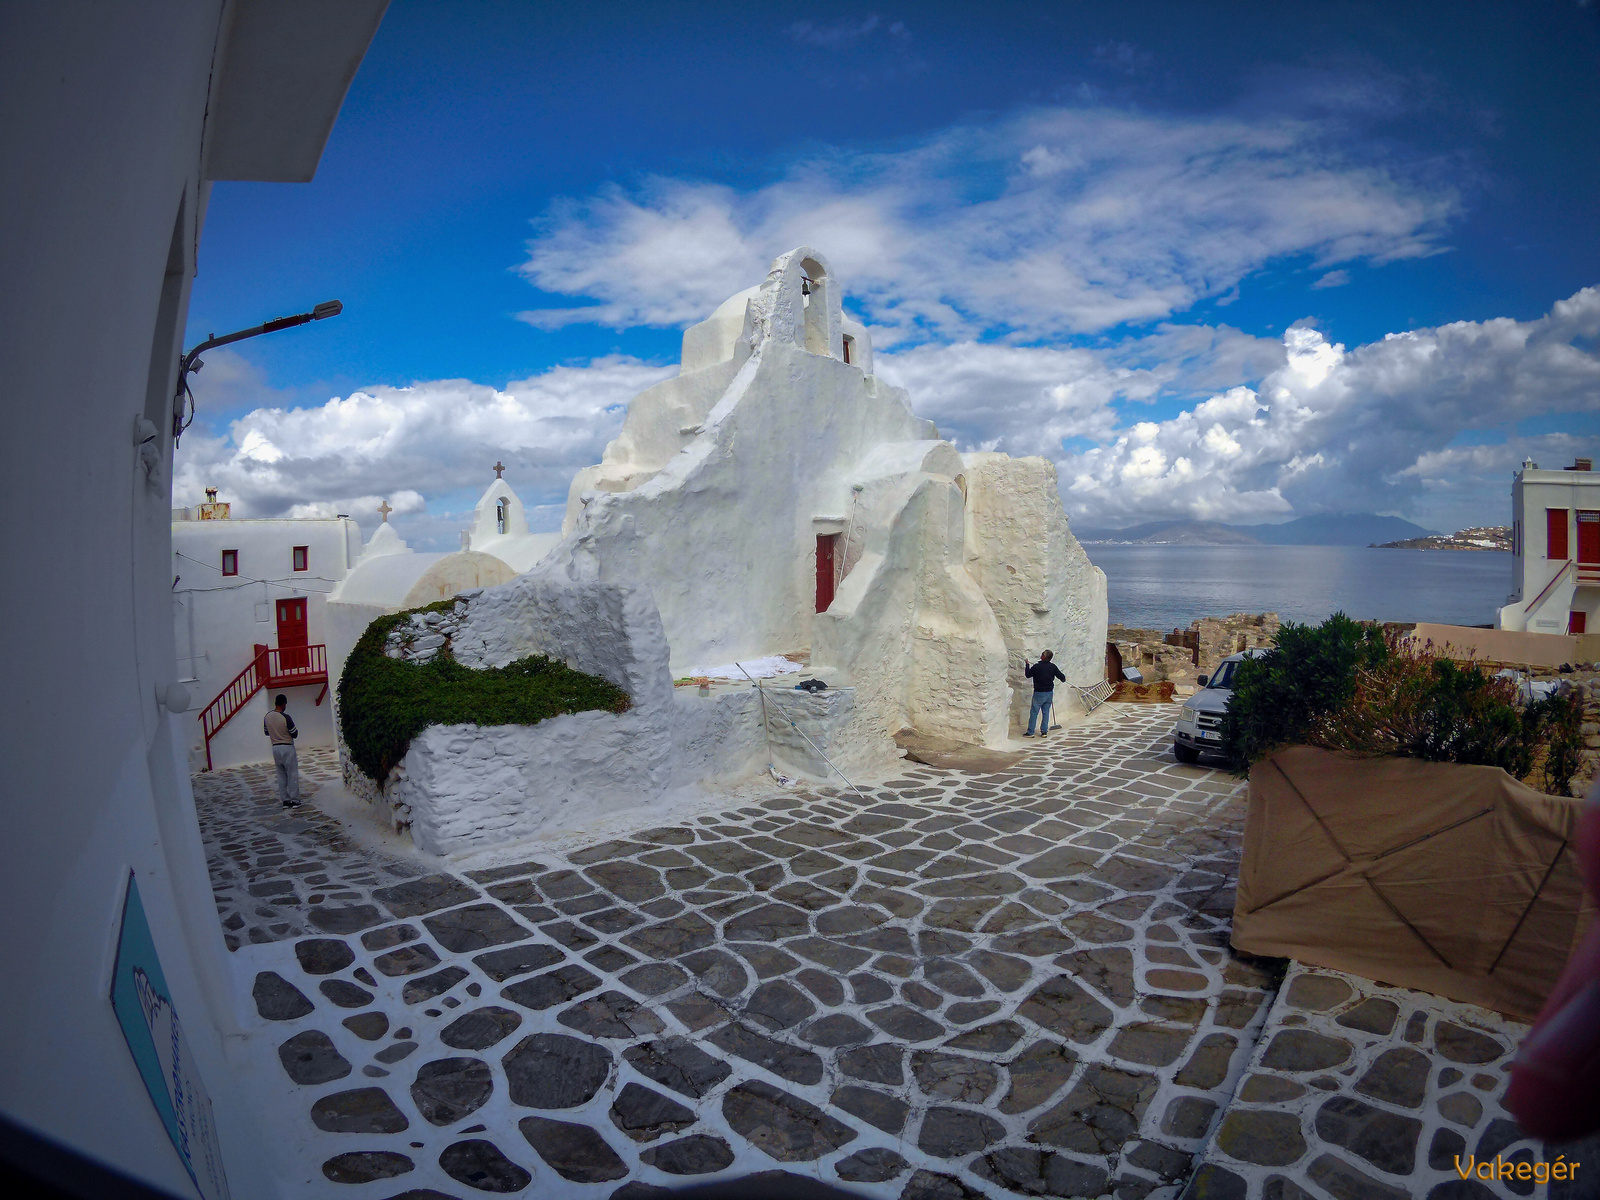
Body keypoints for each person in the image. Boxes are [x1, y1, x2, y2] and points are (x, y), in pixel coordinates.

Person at [263, 693, 301, 808]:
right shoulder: (286, 717)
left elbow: (266, 732)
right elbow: (295, 734)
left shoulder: (267, 716)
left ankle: (285, 800)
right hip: (287, 746)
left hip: (275, 747)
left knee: (281, 775)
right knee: (292, 774)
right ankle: (295, 800)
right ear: (284, 704)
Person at [1023, 650, 1067, 737]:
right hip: (1049, 693)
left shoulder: (1037, 667)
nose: (1041, 655)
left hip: (1039, 693)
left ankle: (1031, 732)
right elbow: (1061, 677)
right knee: (1046, 712)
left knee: (1034, 712)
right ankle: (1044, 732)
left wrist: (1027, 664)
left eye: (1042, 654)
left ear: (1044, 657)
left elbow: (1028, 675)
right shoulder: (1052, 667)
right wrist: (1063, 679)